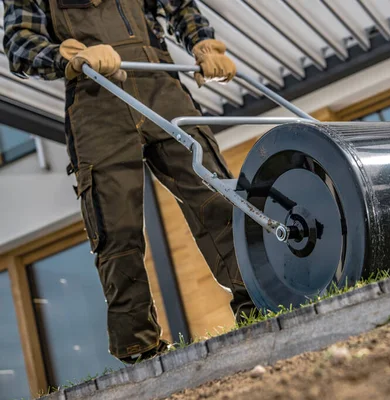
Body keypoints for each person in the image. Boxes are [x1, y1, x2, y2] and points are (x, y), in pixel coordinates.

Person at [2, 0, 255, 364]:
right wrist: (67, 56)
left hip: (160, 84)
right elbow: (19, 43)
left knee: (213, 193)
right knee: (115, 224)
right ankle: (139, 346)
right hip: (94, 97)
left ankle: (258, 298)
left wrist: (204, 44)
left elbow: (180, 5)